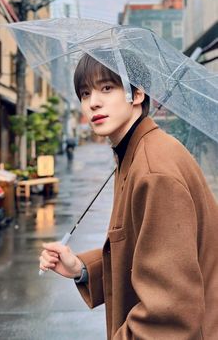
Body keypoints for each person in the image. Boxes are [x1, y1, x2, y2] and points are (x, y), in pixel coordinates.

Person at [39, 52, 218, 339]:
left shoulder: (153, 170)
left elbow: (169, 313)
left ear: (136, 94)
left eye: (106, 88)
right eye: (85, 93)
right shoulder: (133, 154)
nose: (92, 102)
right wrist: (81, 268)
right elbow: (141, 252)